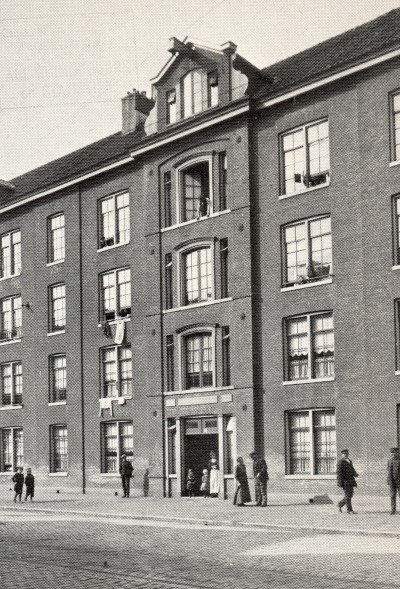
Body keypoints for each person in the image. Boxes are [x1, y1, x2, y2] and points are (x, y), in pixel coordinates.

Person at [337, 449, 359, 514]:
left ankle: (340, 504)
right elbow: (339, 473)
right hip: (345, 481)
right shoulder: (340, 462)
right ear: (342, 455)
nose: (346, 455)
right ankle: (349, 510)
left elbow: (352, 469)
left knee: (350, 495)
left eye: (347, 454)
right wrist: (340, 482)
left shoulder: (349, 461)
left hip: (351, 481)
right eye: (344, 454)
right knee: (348, 495)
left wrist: (355, 474)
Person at [387, 447, 400, 514]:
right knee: (392, 496)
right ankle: (393, 510)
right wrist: (389, 479)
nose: (393, 454)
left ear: (398, 452)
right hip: (392, 481)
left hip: (399, 481)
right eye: (392, 453)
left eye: (394, 452)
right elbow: (388, 470)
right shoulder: (389, 460)